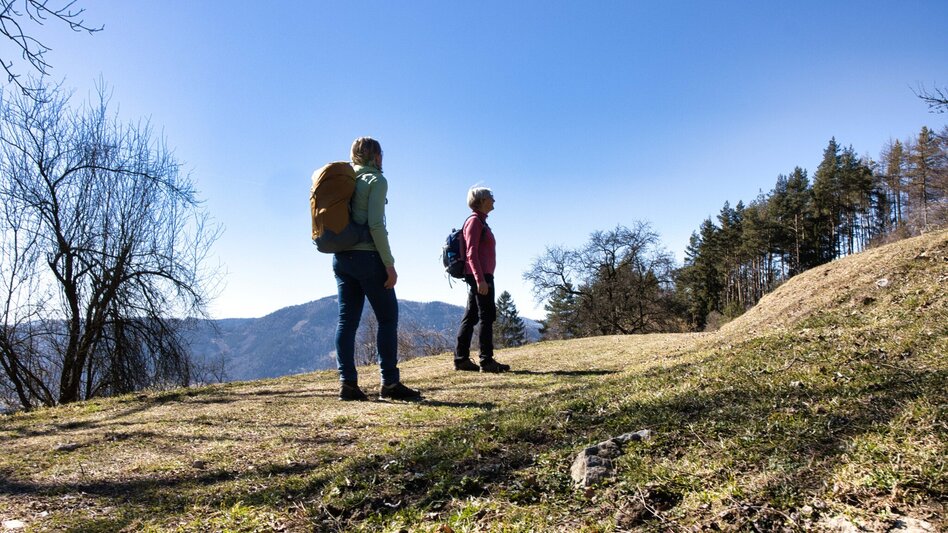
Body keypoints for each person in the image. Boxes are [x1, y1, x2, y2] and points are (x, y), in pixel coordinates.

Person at [332, 137, 421, 401]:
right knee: (387, 318)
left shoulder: (345, 180)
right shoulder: (375, 180)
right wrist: (389, 264)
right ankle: (390, 384)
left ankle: (347, 384)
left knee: (347, 322)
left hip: (341, 258)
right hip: (368, 258)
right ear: (376, 156)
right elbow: (375, 225)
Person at [454, 186, 511, 373]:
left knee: (471, 316)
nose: (494, 200)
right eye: (491, 197)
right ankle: (486, 361)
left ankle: (461, 359)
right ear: (482, 200)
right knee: (486, 316)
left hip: (481, 275)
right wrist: (480, 280)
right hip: (480, 276)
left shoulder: (481, 221)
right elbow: (471, 253)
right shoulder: (474, 222)